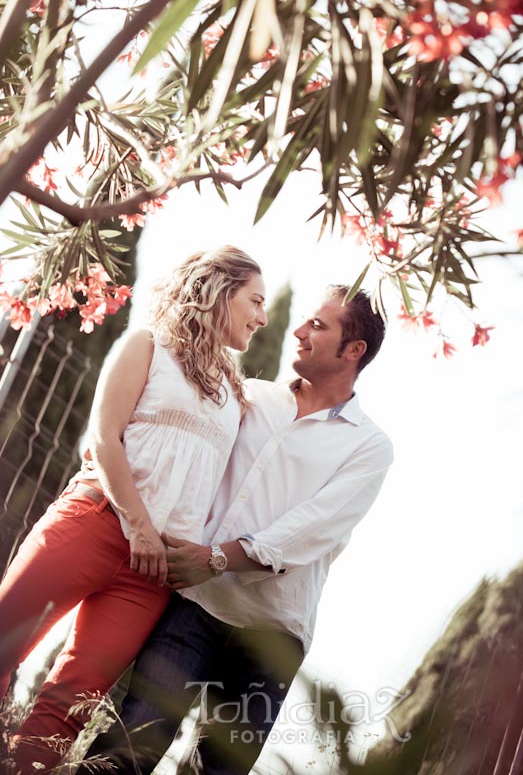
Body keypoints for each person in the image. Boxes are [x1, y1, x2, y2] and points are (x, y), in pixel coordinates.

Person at [80, 285, 394, 775]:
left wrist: (218, 558)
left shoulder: (370, 447)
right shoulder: (249, 397)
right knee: (125, 751)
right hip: (193, 609)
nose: (297, 331)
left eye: (318, 325)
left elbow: (315, 527)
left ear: (354, 350)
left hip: (272, 637)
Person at [0, 246, 267, 773]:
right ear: (219, 289)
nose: (261, 317)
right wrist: (139, 527)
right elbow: (103, 436)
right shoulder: (147, 344)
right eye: (254, 300)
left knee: (69, 706)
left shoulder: (239, 398)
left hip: (149, 576)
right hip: (94, 522)